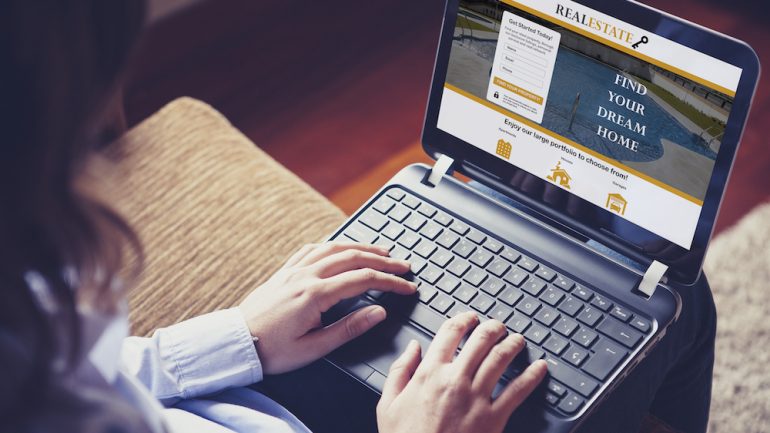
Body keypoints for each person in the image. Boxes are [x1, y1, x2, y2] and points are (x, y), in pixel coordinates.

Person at [0, 1, 717, 433]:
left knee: (590, 265)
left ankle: (543, 188)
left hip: (232, 401)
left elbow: (92, 373)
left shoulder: (24, 316)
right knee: (677, 301)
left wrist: (235, 336)